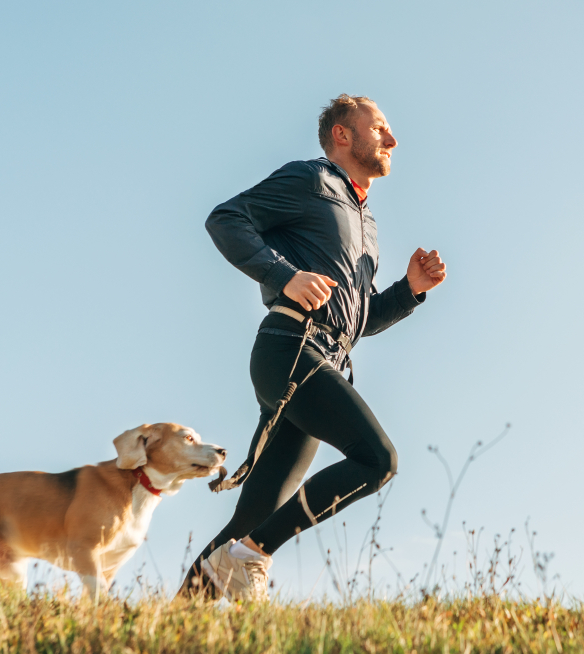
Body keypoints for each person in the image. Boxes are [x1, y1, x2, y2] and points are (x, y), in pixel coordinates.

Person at [178, 94, 447, 602]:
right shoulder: (311, 180)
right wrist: (284, 275)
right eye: (381, 128)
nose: (392, 140)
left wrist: (410, 290)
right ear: (343, 135)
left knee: (250, 518)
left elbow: (359, 320)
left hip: (325, 356)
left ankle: (168, 627)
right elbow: (224, 218)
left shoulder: (366, 223)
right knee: (378, 460)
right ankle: (255, 555)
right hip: (291, 346)